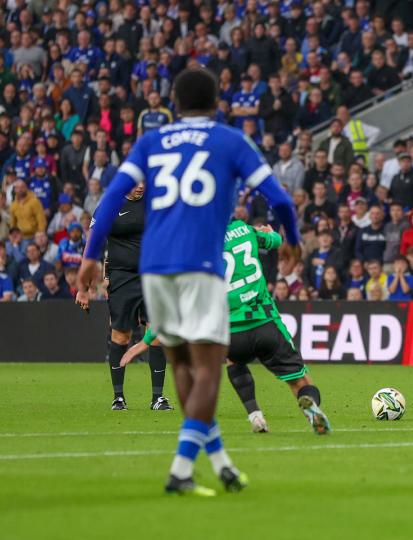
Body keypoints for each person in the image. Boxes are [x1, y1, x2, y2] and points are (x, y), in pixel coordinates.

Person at [76, 68, 300, 497]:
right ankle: (181, 468)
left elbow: (108, 203)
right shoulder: (231, 140)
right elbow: (281, 200)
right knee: (211, 366)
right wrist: (293, 240)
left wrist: (89, 258)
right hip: (199, 265)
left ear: (174, 104)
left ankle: (219, 462)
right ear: (216, 103)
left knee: (181, 365)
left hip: (154, 267)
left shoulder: (150, 142)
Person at [123, 221, 330, 436]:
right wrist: (268, 233)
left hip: (231, 332)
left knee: (234, 361)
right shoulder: (245, 230)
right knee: (299, 380)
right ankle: (312, 409)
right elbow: (276, 241)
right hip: (265, 322)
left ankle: (254, 414)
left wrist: (145, 341)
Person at [96, 181, 171, 411]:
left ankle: (157, 397)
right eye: (135, 184)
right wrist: (101, 277)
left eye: (143, 183)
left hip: (152, 276)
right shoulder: (109, 205)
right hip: (122, 278)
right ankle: (118, 397)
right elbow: (96, 243)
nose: (139, 187)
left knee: (156, 334)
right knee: (121, 336)